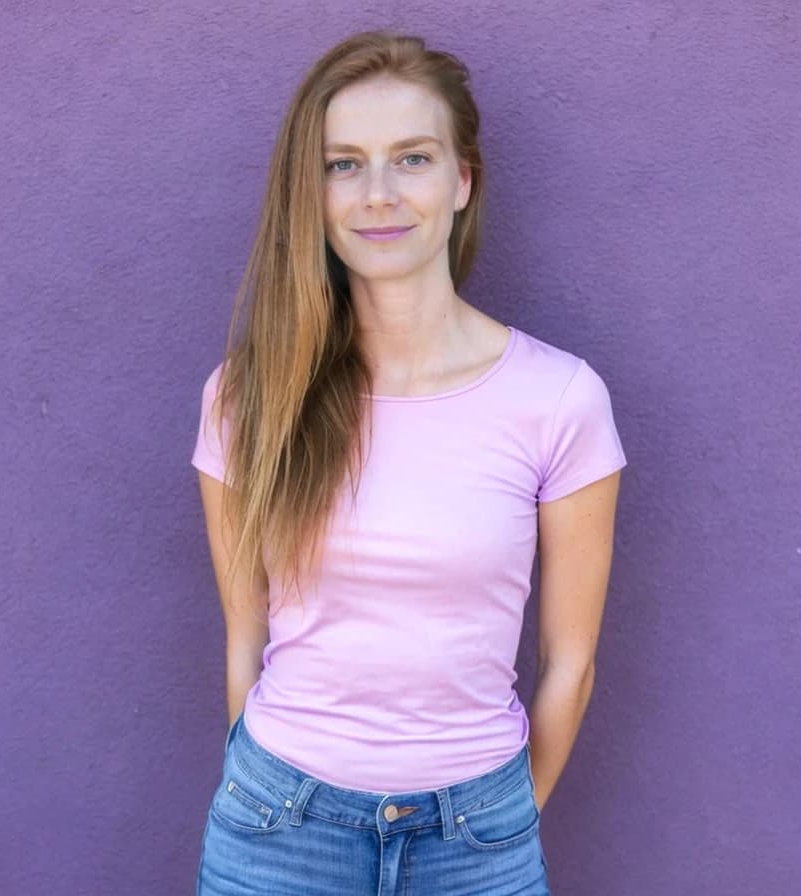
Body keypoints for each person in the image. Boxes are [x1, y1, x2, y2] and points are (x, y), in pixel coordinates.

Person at [190, 29, 626, 896]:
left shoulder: (558, 399)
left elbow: (570, 662)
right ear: (308, 195)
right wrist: (269, 788)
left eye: (412, 158)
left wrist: (501, 827)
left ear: (462, 179)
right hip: (279, 832)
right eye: (343, 164)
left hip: (478, 837)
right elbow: (246, 634)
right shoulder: (249, 395)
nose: (379, 194)